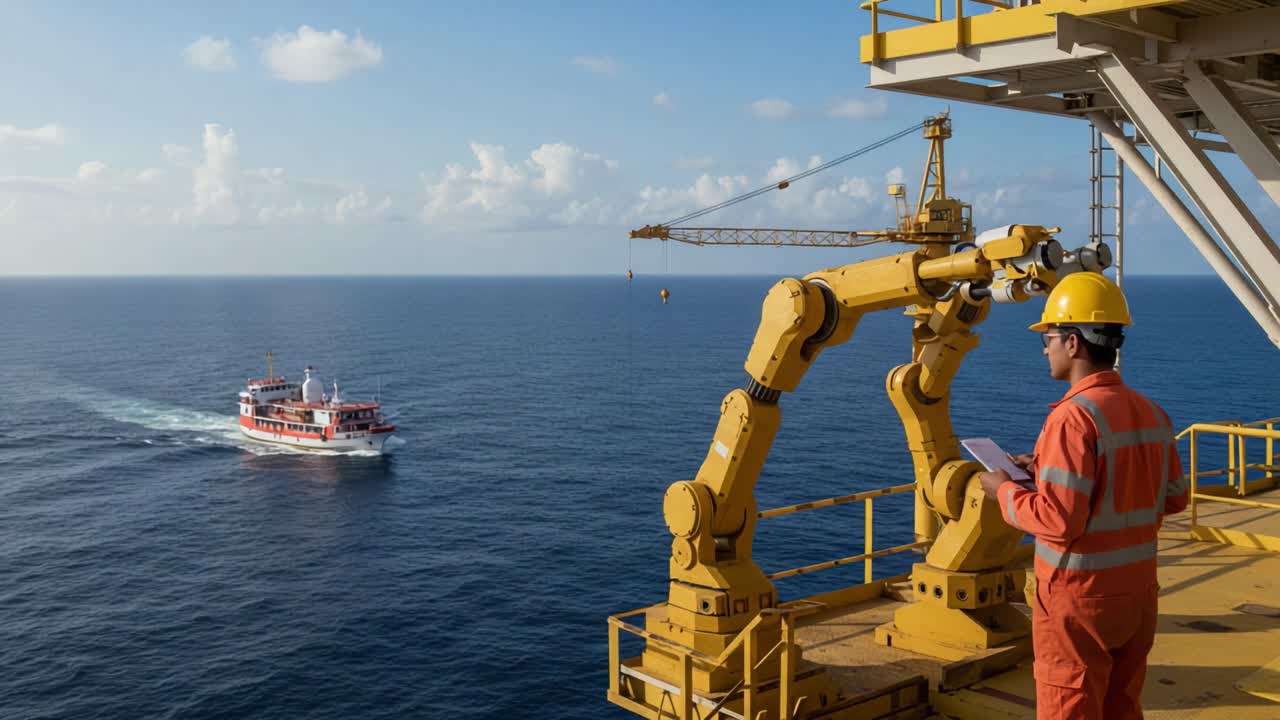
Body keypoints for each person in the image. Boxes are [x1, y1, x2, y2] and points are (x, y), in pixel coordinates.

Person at [978, 272, 1188, 720]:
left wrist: (1005, 490)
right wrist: (1047, 471)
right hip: (1136, 594)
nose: (1045, 348)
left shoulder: (1072, 419)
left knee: (1069, 706)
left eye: (1049, 337)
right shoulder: (1152, 412)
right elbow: (1172, 498)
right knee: (1122, 705)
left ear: (1073, 343)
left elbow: (1059, 521)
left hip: (1079, 603)